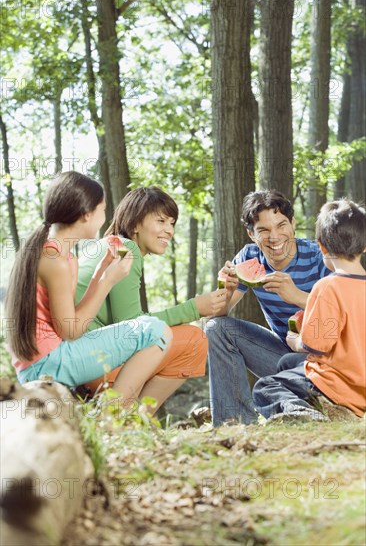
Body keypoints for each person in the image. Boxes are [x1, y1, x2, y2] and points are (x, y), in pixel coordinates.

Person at [5, 172, 173, 410]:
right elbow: (71, 331)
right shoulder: (56, 261)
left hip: (43, 361)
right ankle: (112, 416)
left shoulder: (58, 253)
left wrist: (100, 275)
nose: (105, 218)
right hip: (49, 364)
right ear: (86, 215)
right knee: (156, 331)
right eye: (102, 210)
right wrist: (107, 282)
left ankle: (112, 413)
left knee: (151, 328)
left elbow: (69, 318)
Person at [76, 186, 227, 411]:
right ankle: (135, 419)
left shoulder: (110, 245)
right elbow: (133, 325)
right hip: (95, 366)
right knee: (195, 340)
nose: (169, 230)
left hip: (80, 360)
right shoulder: (127, 250)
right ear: (135, 224)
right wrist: (194, 308)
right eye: (161, 221)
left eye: (172, 223)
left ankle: (130, 418)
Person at [206, 189, 332, 426]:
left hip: (328, 363)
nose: (274, 237)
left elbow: (347, 313)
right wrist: (228, 291)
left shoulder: (319, 257)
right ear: (251, 235)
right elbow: (217, 315)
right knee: (216, 327)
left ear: (293, 224)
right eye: (263, 230)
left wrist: (297, 296)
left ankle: (313, 405)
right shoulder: (249, 257)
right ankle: (233, 423)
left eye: (281, 225)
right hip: (285, 358)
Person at [252, 199, 366, 421]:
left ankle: (306, 414)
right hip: (361, 385)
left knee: (265, 387)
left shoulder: (327, 287)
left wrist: (295, 340)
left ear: (321, 246)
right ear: (364, 245)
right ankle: (328, 407)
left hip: (336, 383)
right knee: (286, 363)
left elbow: (316, 345)